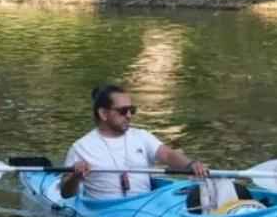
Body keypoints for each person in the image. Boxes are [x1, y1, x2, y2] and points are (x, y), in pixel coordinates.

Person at [60, 85, 208, 200]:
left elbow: (168, 155)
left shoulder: (141, 136)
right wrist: (75, 176)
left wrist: (190, 165)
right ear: (103, 114)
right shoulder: (81, 147)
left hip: (146, 203)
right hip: (105, 211)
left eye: (132, 110)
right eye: (123, 111)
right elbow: (66, 194)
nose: (129, 116)